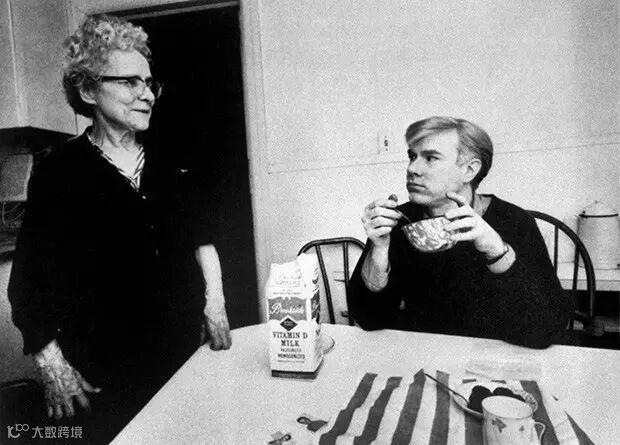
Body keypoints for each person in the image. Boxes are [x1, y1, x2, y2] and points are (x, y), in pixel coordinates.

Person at [8, 14, 231, 442]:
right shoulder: (59, 173)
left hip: (181, 357)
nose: (146, 94)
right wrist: (52, 365)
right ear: (88, 90)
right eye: (130, 82)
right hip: (104, 377)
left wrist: (215, 303)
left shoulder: (171, 162)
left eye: (149, 83)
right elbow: (27, 285)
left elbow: (202, 238)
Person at [348, 116, 572, 349]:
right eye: (412, 157)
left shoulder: (514, 221)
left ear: (469, 170)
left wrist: (496, 250)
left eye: (430, 158)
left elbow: (546, 330)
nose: (412, 169)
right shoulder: (397, 221)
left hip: (492, 360)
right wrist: (379, 251)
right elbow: (368, 319)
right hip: (423, 357)